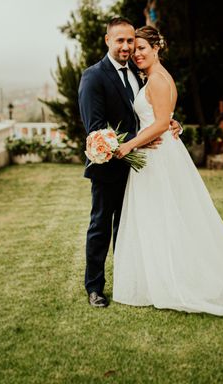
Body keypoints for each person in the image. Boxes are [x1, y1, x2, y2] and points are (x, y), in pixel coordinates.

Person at [113, 26, 223, 316]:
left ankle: (173, 279)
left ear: (157, 48)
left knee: (163, 215)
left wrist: (128, 146)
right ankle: (157, 277)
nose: (136, 54)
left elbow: (160, 124)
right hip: (161, 152)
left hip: (157, 155)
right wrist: (174, 125)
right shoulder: (157, 77)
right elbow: (166, 120)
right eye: (134, 50)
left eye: (142, 49)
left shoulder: (158, 79)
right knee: (162, 215)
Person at [78, 17, 181, 308]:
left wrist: (169, 124)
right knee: (101, 226)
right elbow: (95, 127)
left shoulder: (138, 73)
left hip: (140, 167)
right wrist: (139, 140)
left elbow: (149, 113)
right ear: (108, 40)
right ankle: (95, 287)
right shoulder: (93, 76)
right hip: (109, 165)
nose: (127, 47)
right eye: (120, 41)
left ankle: (133, 281)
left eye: (130, 42)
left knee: (131, 228)